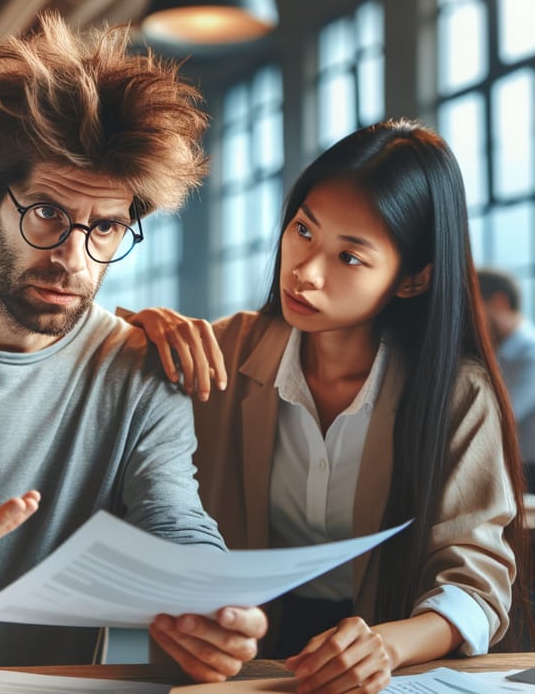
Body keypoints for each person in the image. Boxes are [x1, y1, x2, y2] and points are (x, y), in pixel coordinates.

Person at [0, 14, 266, 681]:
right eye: (48, 215)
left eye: (106, 229)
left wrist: (213, 605)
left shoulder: (141, 367)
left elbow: (174, 520)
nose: (75, 260)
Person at [126, 119, 533, 693]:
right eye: (303, 229)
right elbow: (85, 357)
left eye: (349, 258)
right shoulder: (222, 353)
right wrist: (135, 326)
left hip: (381, 658)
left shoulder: (455, 393)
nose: (305, 271)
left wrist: (386, 645)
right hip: (236, 656)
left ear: (413, 279)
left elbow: (476, 584)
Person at [477, 268, 535, 492]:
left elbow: (503, 417)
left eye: (473, 307)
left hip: (528, 475)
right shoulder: (498, 353)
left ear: (499, 303)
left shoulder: (529, 354)